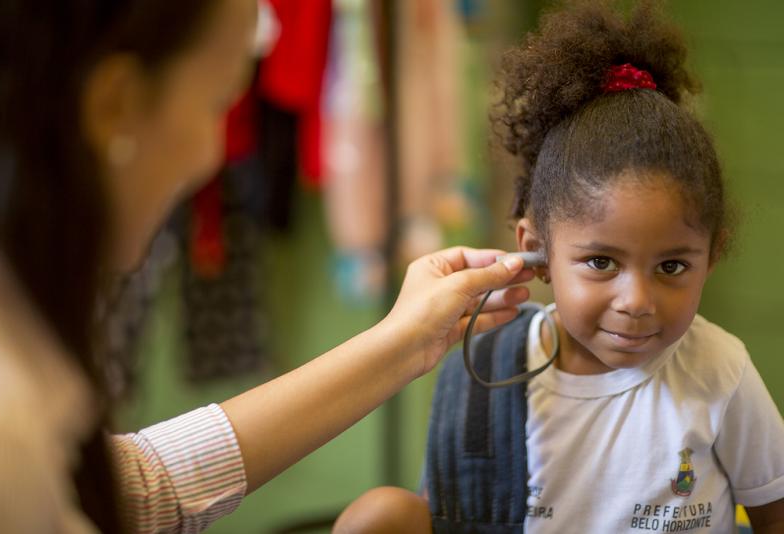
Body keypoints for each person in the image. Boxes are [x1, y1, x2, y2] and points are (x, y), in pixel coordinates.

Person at [0, 0, 538, 532]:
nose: (211, 156)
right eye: (216, 104)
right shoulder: (2, 437)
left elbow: (134, 492)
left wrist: (405, 341)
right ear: (115, 105)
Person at [333, 1, 784, 533]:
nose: (636, 300)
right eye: (600, 262)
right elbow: (459, 512)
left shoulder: (720, 371)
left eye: (671, 267)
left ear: (711, 258)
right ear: (537, 251)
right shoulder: (490, 372)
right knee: (379, 516)